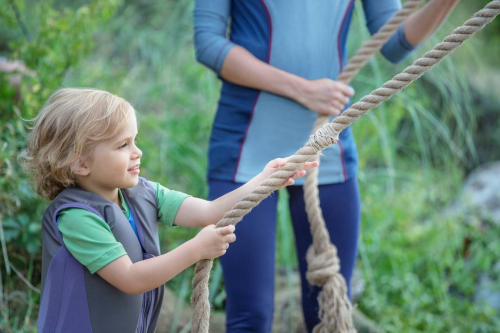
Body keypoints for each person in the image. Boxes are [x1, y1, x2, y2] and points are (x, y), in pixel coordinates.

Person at [194, 0, 460, 331]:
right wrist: (302, 89)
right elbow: (208, 43)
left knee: (328, 312)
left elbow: (395, 42)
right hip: (242, 153)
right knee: (251, 317)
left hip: (328, 153)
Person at [20, 88, 317, 333]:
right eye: (123, 145)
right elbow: (131, 278)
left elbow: (210, 212)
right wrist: (196, 249)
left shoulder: (144, 193)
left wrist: (263, 179)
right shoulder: (76, 217)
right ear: (80, 163)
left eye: (134, 140)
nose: (137, 152)